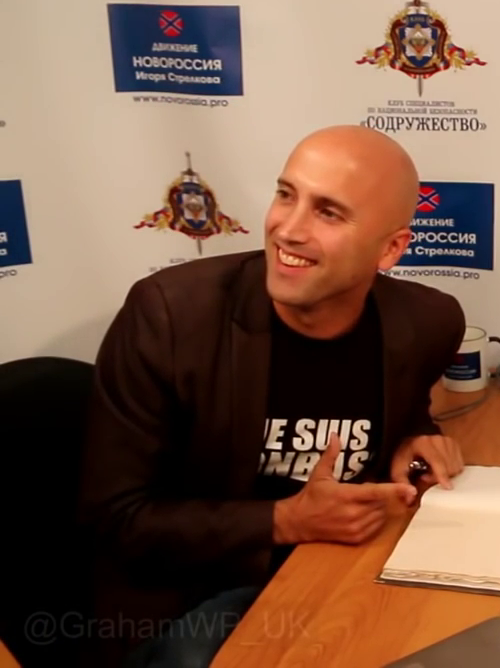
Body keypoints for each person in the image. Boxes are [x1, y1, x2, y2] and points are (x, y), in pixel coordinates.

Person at [77, 125, 468, 668]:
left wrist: (417, 438)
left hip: (342, 570)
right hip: (193, 596)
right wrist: (286, 520)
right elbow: (115, 519)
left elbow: (404, 409)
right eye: (286, 195)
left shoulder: (428, 322)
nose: (287, 228)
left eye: (328, 213)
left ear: (391, 248)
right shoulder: (168, 318)